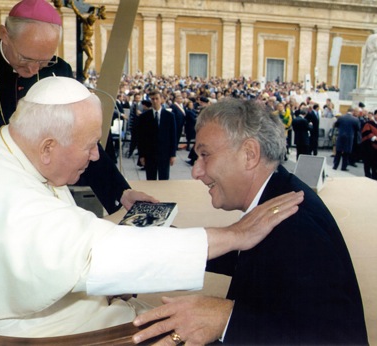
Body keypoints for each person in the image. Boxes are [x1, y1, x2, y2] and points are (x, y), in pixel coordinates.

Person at [0, 77, 304, 338]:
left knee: (151, 309)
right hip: (4, 329)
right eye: (88, 146)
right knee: (174, 331)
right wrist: (232, 236)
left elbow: (63, 242)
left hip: (15, 302)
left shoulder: (3, 146)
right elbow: (86, 253)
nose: (96, 155)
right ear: (48, 146)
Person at [132, 98, 368, 345]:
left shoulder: (295, 228)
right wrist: (167, 239)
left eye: (205, 154)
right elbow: (242, 255)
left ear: (249, 154)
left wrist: (227, 319)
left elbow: (333, 338)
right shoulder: (277, 194)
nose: (196, 171)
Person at [0, 0, 142, 215]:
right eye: (25, 58)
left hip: (36, 199)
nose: (31, 70)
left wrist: (121, 191)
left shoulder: (58, 70)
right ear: (5, 35)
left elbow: (79, 141)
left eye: (42, 62)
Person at [138, 89, 177, 180]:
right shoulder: (144, 117)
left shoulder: (170, 116)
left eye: (156, 98)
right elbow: (141, 138)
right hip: (149, 153)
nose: (155, 101)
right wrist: (141, 155)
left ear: (161, 99)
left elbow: (173, 136)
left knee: (164, 179)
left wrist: (173, 154)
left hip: (164, 153)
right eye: (152, 99)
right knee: (150, 179)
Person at [68, 0, 106, 80]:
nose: (93, 21)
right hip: (84, 43)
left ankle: (84, 71)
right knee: (91, 57)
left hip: (89, 43)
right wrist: (72, 4)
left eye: (93, 21)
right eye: (92, 20)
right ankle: (84, 71)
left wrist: (95, 10)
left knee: (91, 57)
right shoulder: (85, 22)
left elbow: (94, 15)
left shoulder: (91, 24)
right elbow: (78, 13)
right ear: (89, 20)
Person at [333, 107, 360, 171]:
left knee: (338, 152)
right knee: (346, 152)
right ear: (352, 112)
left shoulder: (341, 117)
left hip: (341, 136)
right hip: (349, 137)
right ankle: (343, 167)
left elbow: (336, 125)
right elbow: (358, 128)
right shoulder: (355, 119)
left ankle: (335, 165)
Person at [361, 110, 377, 179]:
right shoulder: (368, 123)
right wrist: (373, 137)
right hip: (369, 146)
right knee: (367, 161)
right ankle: (367, 175)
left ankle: (374, 175)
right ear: (375, 115)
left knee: (375, 162)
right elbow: (365, 133)